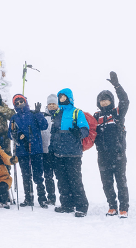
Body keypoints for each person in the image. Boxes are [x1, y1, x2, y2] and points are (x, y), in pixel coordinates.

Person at [93, 71, 130, 218]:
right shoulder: (96, 117)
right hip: (102, 155)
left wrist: (117, 86)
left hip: (118, 154)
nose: (104, 102)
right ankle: (112, 206)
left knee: (121, 182)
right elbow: (88, 131)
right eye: (101, 100)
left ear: (111, 101)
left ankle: (124, 208)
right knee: (107, 183)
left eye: (106, 99)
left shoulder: (117, 113)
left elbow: (125, 101)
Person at [50, 88, 89, 217]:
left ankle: (81, 207)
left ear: (69, 98)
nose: (61, 99)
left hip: (73, 154)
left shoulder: (77, 112)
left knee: (75, 180)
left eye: (64, 97)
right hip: (58, 154)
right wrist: (51, 149)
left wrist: (79, 132)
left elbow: (85, 130)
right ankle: (67, 205)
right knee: (62, 180)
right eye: (60, 97)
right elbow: (54, 133)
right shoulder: (57, 114)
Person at [8, 94, 49, 209]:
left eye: (21, 101)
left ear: (25, 101)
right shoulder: (14, 118)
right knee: (26, 175)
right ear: (15, 105)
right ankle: (28, 198)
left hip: (36, 150)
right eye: (17, 102)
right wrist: (17, 134)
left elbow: (44, 126)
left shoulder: (33, 114)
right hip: (22, 151)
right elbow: (10, 134)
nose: (20, 104)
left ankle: (42, 198)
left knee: (38, 175)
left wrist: (39, 114)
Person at [40, 94, 59, 205]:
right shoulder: (42, 116)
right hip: (45, 151)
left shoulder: (60, 116)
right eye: (50, 104)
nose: (51, 106)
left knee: (60, 175)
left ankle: (64, 197)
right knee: (48, 176)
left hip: (57, 151)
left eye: (53, 104)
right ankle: (51, 197)